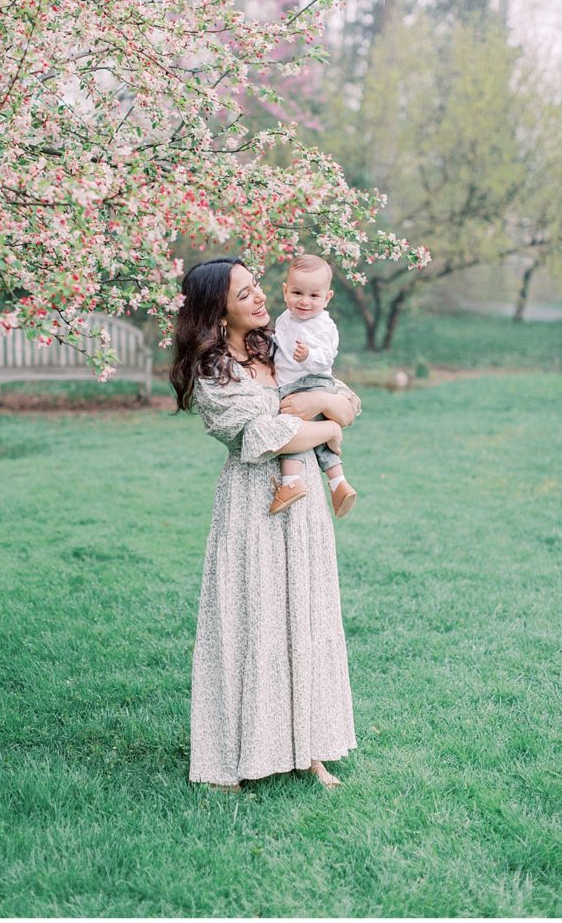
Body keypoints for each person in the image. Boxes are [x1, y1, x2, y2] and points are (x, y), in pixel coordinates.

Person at [170, 256, 360, 792]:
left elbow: (345, 405)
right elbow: (268, 437)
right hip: (253, 506)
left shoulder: (277, 344)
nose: (259, 299)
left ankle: (309, 749)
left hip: (303, 510)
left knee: (306, 616)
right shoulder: (213, 371)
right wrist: (321, 428)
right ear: (217, 310)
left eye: (258, 288)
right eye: (245, 294)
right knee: (251, 623)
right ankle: (234, 755)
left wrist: (322, 406)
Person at [270, 253, 358, 517]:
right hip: (293, 382)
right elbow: (281, 347)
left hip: (312, 382)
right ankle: (338, 482)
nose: (304, 301)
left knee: (293, 427)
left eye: (314, 296)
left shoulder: (323, 325)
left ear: (327, 298)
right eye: (297, 292)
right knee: (314, 434)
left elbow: (327, 356)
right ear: (285, 291)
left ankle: (290, 483)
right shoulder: (284, 318)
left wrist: (308, 356)